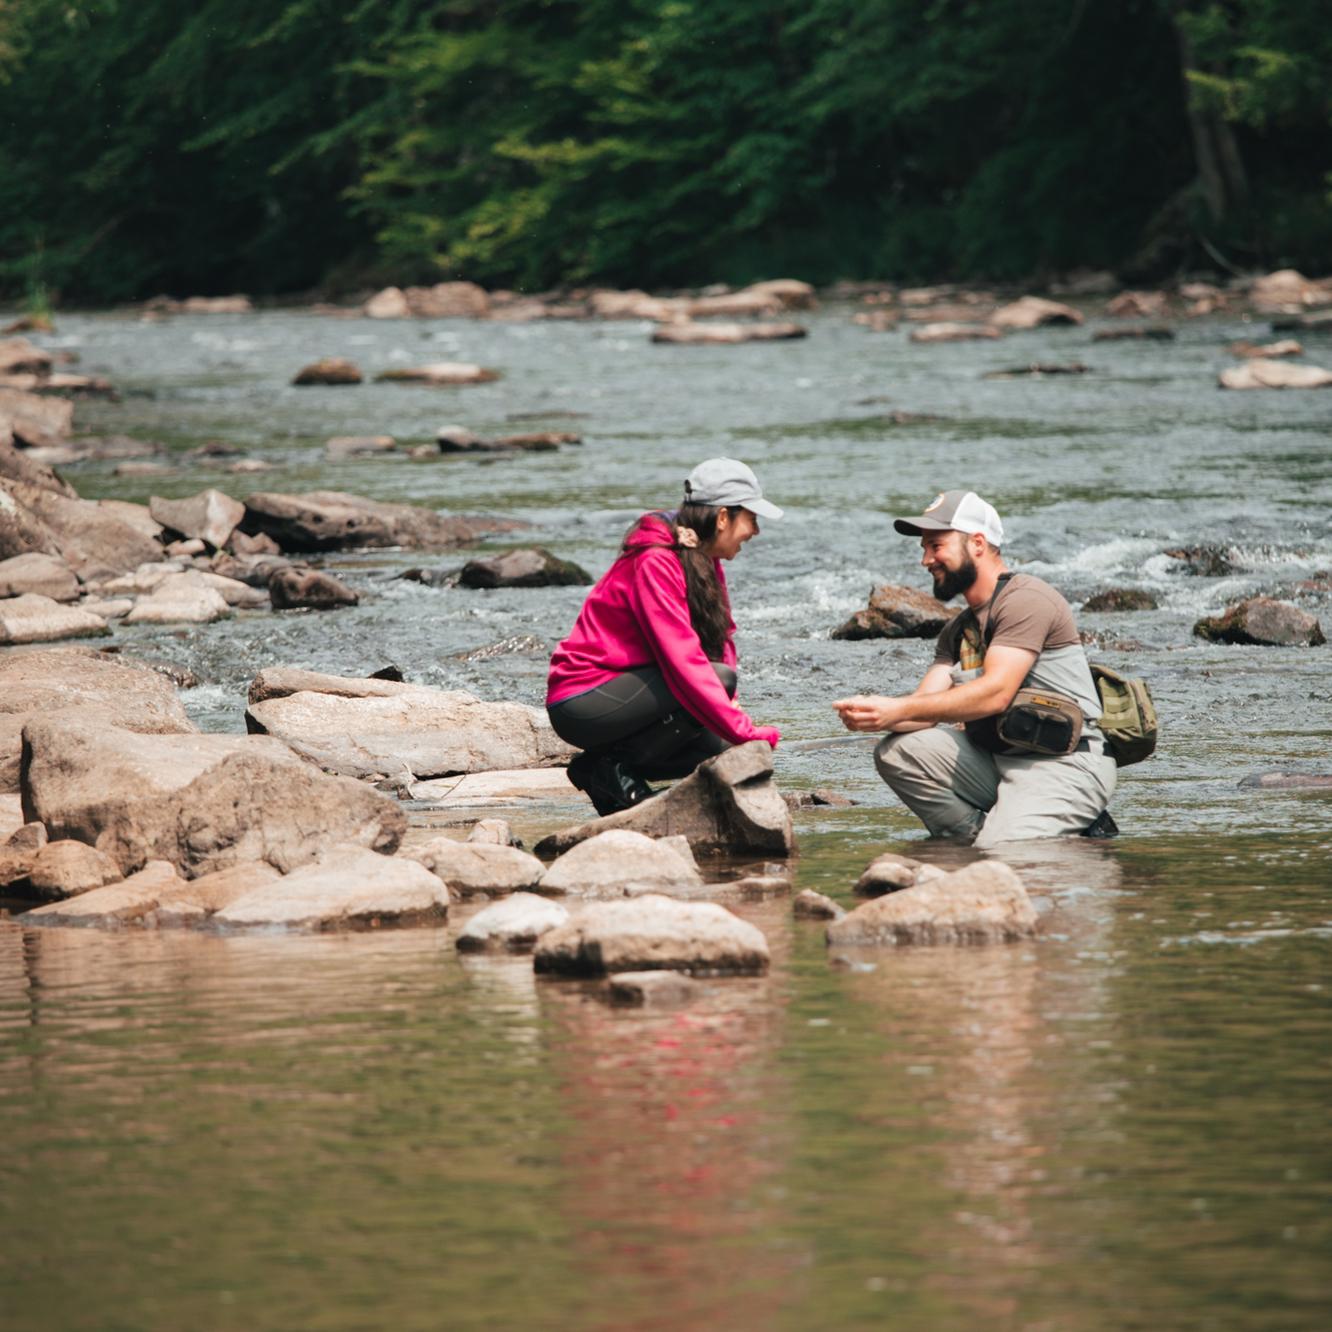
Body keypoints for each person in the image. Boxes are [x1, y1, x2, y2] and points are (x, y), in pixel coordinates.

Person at [833, 489, 1117, 848]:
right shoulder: (957, 630)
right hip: (998, 761)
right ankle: (970, 840)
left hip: (1066, 764)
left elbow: (996, 693)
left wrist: (898, 708)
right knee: (898, 750)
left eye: (935, 546)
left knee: (1003, 851)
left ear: (978, 544)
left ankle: (1032, 829)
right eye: (923, 548)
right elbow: (921, 713)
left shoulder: (1026, 599)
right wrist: (876, 712)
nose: (925, 560)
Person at [547, 458, 783, 815]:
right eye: (752, 518)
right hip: (584, 698)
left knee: (720, 747)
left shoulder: (700, 556)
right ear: (722, 518)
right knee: (719, 686)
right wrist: (744, 729)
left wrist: (732, 714)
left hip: (631, 695)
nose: (756, 531)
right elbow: (683, 659)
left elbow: (721, 639)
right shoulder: (656, 560)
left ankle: (601, 769)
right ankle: (611, 771)